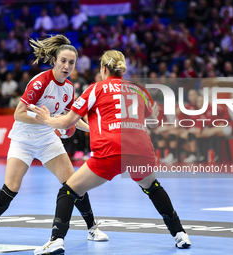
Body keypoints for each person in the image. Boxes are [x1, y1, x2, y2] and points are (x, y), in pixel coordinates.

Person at [30, 50, 191, 254]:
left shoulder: (95, 89)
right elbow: (154, 116)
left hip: (111, 151)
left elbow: (67, 121)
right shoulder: (139, 89)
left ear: (104, 69)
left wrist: (47, 119)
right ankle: (180, 234)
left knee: (68, 191)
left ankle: (56, 240)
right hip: (142, 151)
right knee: (152, 186)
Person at [0, 34, 108, 245]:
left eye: (71, 62)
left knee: (74, 183)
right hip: (23, 139)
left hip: (47, 139)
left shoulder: (69, 88)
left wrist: (92, 131)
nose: (67, 66)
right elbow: (19, 114)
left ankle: (92, 228)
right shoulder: (40, 82)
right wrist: (49, 121)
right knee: (11, 187)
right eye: (63, 61)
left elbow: (69, 119)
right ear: (54, 61)